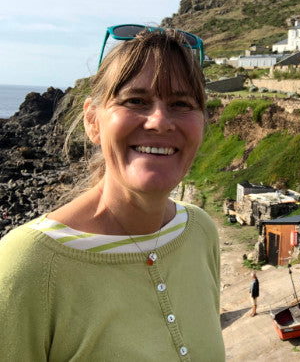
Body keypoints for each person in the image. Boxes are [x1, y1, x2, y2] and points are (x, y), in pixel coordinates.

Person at [0, 27, 225, 360]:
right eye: (136, 100)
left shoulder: (201, 232)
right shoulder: (25, 265)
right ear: (93, 121)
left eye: (181, 103)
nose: (160, 121)